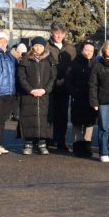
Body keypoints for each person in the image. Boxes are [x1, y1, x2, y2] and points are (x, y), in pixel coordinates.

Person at [16, 36, 56, 155]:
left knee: (43, 118)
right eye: (36, 45)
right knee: (29, 118)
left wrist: (45, 90)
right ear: (32, 46)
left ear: (44, 47)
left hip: (45, 95)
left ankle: (42, 143)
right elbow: (21, 77)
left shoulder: (49, 59)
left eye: (41, 46)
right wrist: (30, 90)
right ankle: (28, 143)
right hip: (29, 95)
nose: (38, 48)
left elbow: (53, 77)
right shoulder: (26, 59)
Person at [45, 21, 76, 152]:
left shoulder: (70, 48)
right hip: (49, 86)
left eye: (61, 33)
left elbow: (73, 67)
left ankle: (61, 141)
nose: (58, 36)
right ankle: (48, 140)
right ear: (51, 32)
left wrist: (65, 80)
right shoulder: (46, 46)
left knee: (62, 116)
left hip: (65, 86)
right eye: (56, 33)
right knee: (49, 114)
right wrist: (54, 80)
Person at [67, 41, 98, 157]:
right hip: (78, 97)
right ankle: (77, 145)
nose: (89, 53)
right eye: (86, 50)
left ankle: (87, 145)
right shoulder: (74, 63)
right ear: (81, 51)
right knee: (77, 122)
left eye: (91, 50)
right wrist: (73, 93)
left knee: (89, 122)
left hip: (91, 97)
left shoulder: (96, 63)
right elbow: (68, 80)